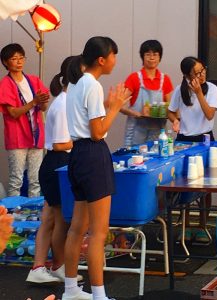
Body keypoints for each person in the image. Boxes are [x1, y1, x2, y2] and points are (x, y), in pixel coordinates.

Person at [62, 37, 129, 300]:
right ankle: (98, 295)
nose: (115, 60)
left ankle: (70, 290)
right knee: (98, 232)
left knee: (77, 228)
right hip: (93, 155)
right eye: (114, 55)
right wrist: (115, 107)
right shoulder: (92, 85)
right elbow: (98, 132)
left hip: (77, 156)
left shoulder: (75, 83)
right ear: (102, 59)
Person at [26, 56, 83, 284]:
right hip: (56, 164)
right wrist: (83, 141)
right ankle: (49, 266)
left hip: (58, 164)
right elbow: (60, 143)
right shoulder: (62, 104)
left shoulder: (66, 101)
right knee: (57, 220)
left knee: (52, 219)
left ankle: (48, 266)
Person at [168, 56, 217, 243]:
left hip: (204, 139)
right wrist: (175, 120)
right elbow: (171, 110)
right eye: (197, 73)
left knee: (206, 184)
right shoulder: (179, 91)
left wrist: (199, 93)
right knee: (185, 184)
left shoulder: (211, 88)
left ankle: (203, 225)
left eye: (203, 70)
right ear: (187, 76)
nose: (202, 74)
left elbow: (210, 113)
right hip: (184, 140)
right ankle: (186, 225)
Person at [0, 43, 49, 197]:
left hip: (36, 136)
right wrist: (34, 102)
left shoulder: (34, 80)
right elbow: (13, 113)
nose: (19, 61)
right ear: (5, 62)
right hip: (17, 137)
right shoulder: (5, 84)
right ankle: (13, 216)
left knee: (36, 180)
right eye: (14, 58)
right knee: (16, 180)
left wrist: (41, 102)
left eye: (21, 57)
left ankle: (34, 216)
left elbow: (43, 108)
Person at [122, 39, 173, 146]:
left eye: (155, 54)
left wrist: (176, 120)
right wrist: (135, 113)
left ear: (160, 57)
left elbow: (171, 108)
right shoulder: (134, 78)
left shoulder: (165, 80)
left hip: (159, 133)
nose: (152, 58)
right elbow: (120, 105)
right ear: (142, 57)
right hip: (136, 132)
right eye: (148, 54)